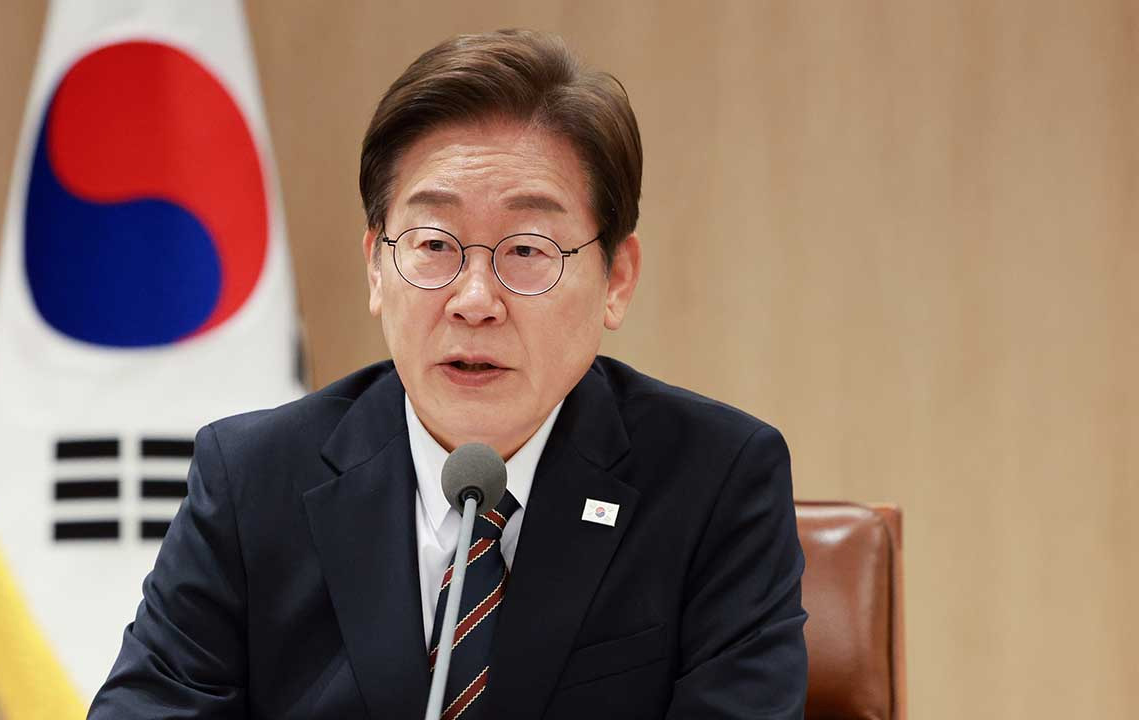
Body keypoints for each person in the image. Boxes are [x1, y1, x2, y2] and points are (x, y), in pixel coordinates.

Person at [90, 29, 807, 720]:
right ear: (377, 267)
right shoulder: (252, 479)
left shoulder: (714, 482)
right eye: (434, 244)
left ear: (616, 278)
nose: (474, 300)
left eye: (527, 249)